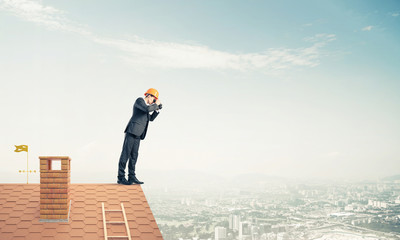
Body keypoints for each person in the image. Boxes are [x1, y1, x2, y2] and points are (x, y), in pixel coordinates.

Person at [117, 88, 162, 185]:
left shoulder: (146, 107)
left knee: (134, 156)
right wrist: (156, 104)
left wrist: (157, 110)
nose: (153, 102)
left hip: (138, 134)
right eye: (154, 99)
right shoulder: (139, 101)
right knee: (126, 154)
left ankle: (131, 177)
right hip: (132, 131)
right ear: (149, 95)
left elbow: (151, 118)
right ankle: (121, 177)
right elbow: (147, 109)